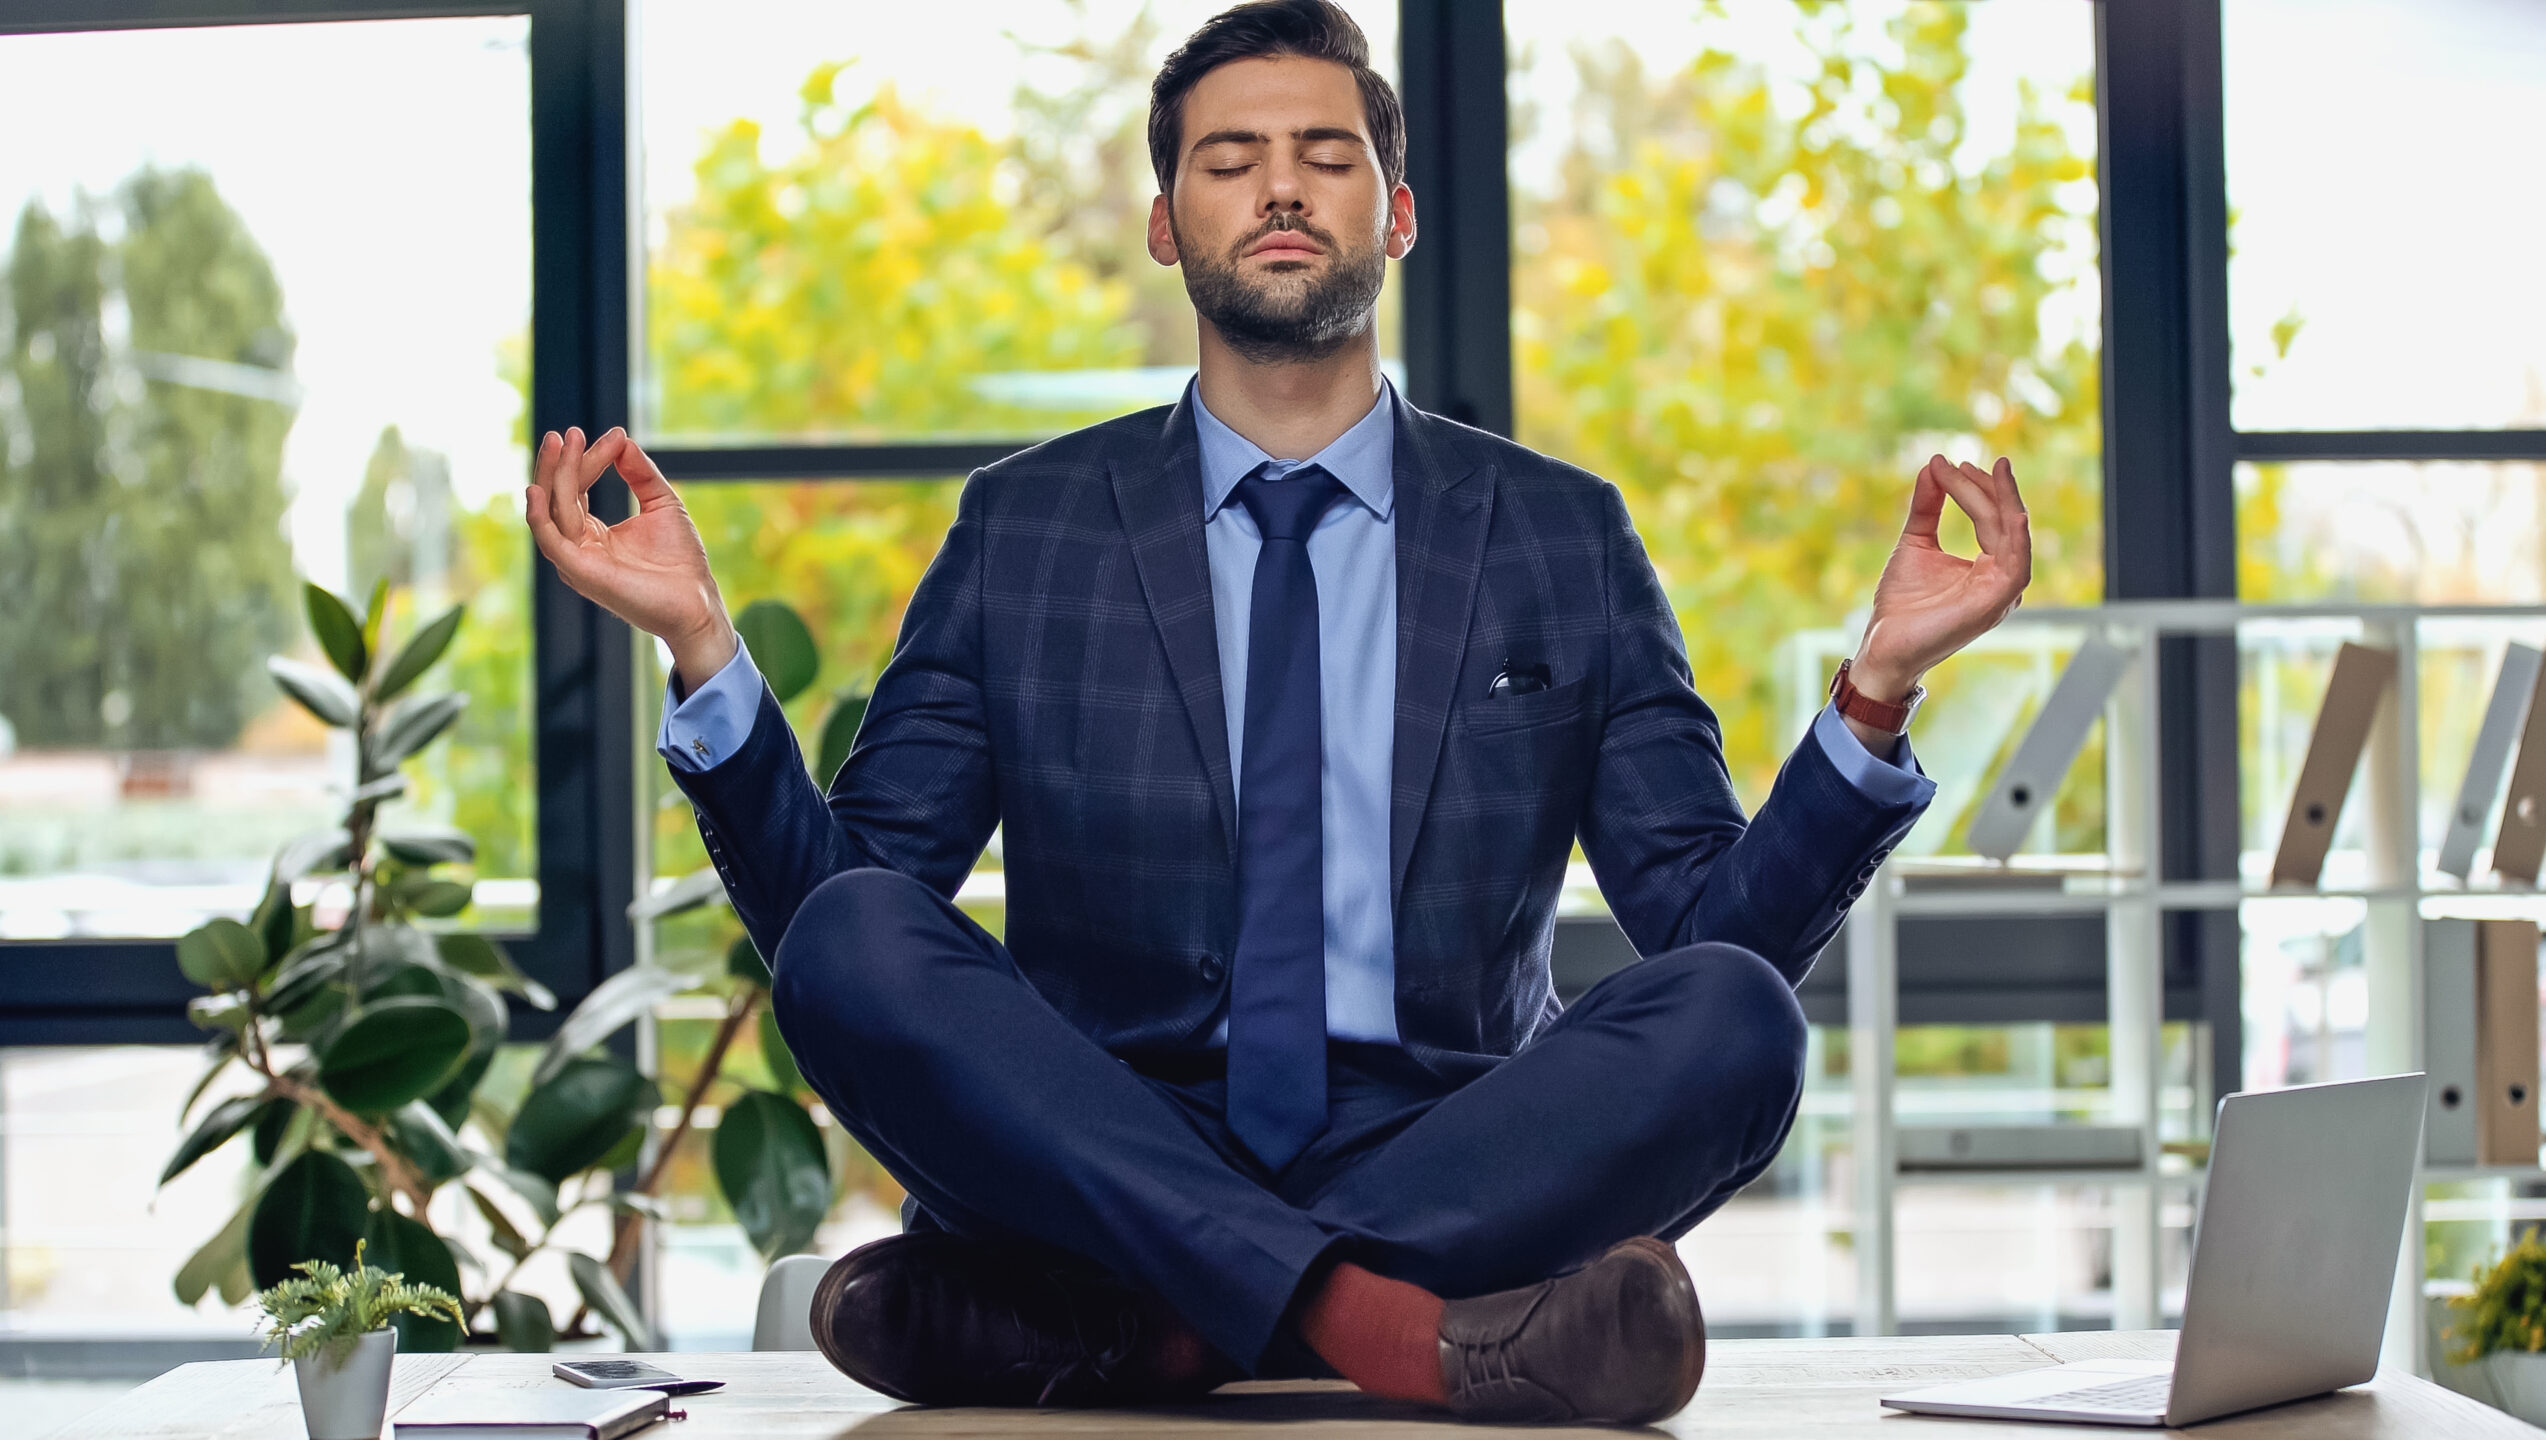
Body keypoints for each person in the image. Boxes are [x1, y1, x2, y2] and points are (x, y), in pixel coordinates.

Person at [523, 0, 2030, 1424]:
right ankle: (1384, 1328)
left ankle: (1153, 1323)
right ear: (1170, 224)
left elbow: (1711, 929)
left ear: (1399, 212)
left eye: (1328, 156)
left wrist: (1877, 690)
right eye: (1230, 161)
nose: (1283, 191)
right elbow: (840, 922)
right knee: (855, 941)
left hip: (1449, 1146)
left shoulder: (1560, 535)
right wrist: (707, 647)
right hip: (1104, 1131)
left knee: (1739, 1020)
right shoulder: (1025, 528)